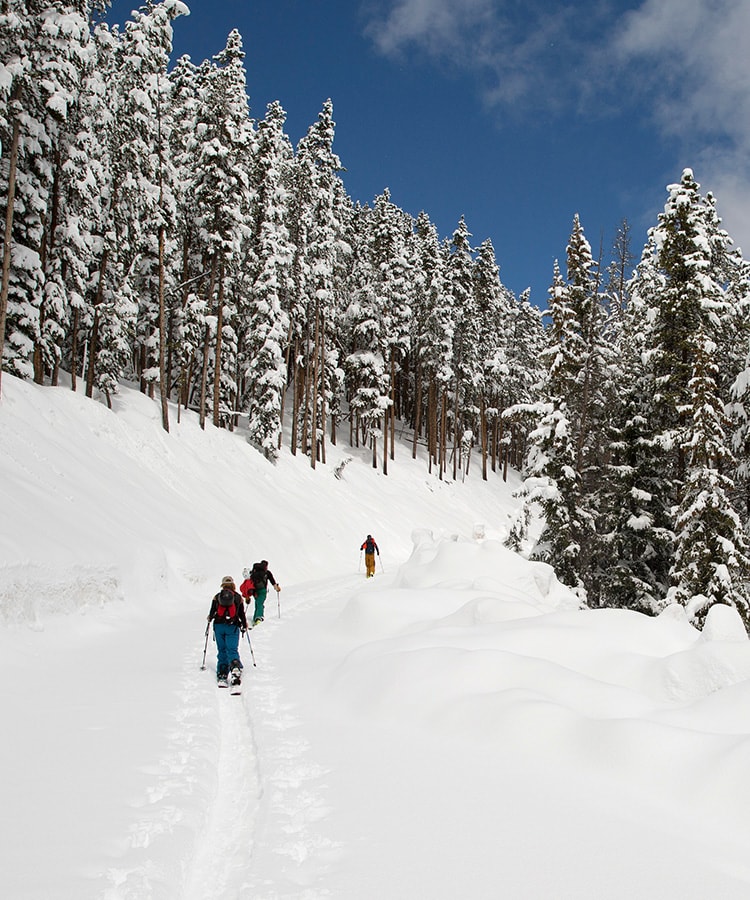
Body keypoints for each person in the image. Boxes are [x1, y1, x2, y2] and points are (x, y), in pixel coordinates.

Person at [206, 575, 247, 685]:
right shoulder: (238, 597)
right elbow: (241, 614)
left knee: (222, 649)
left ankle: (223, 672)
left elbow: (211, 612)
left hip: (219, 626)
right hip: (232, 626)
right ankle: (235, 669)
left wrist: (210, 618)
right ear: (233, 584)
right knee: (232, 649)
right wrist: (244, 624)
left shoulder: (217, 596)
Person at [247, 560, 280, 626]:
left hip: (255, 591)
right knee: (260, 603)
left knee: (258, 603)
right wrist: (277, 588)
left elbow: (249, 582)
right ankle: (258, 618)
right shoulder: (267, 573)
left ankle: (255, 618)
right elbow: (272, 581)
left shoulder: (254, 572)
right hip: (263, 590)